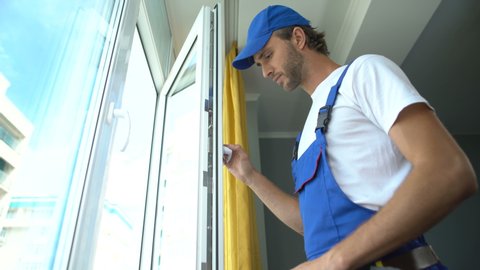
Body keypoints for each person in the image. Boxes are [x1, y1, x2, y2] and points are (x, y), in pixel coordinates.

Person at [223, 4, 478, 270]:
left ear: (298, 38)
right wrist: (249, 176)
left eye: (267, 55)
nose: (265, 72)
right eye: (260, 65)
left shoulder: (363, 74)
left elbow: (448, 171)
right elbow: (312, 225)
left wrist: (333, 261)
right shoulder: (305, 137)